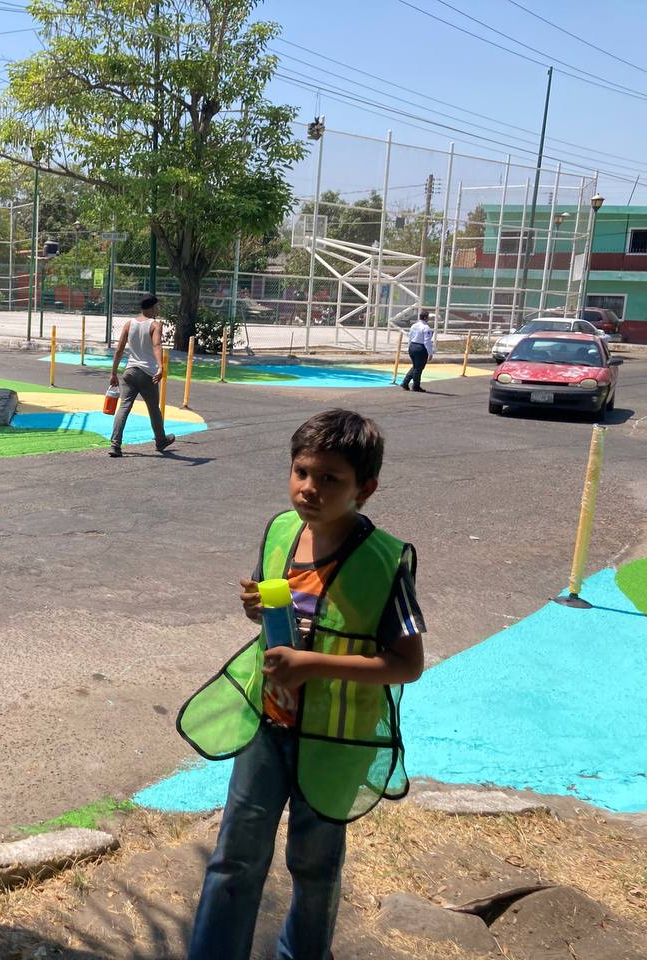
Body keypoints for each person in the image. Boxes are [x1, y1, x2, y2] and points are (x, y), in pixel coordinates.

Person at [180, 409, 425, 960]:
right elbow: (288, 620)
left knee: (315, 865)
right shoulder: (281, 532)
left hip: (332, 744)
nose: (309, 489)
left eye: (329, 479)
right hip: (268, 723)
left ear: (366, 488)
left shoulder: (385, 561)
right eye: (301, 472)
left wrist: (313, 666)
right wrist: (257, 610)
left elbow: (407, 663)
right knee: (235, 856)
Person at [107, 295, 176, 457]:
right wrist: (161, 367)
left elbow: (119, 349)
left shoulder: (129, 324)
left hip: (129, 371)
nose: (157, 310)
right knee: (153, 410)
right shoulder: (155, 325)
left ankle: (115, 444)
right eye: (157, 307)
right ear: (152, 308)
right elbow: (157, 345)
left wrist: (113, 372)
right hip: (147, 373)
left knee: (124, 407)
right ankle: (160, 441)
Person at [402, 311, 436, 392]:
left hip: (412, 346)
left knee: (415, 366)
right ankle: (416, 386)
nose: (428, 319)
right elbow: (427, 341)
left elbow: (410, 337)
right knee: (419, 368)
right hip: (420, 348)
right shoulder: (426, 328)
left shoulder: (414, 325)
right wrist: (430, 353)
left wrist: (409, 347)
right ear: (425, 318)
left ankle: (405, 383)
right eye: (428, 317)